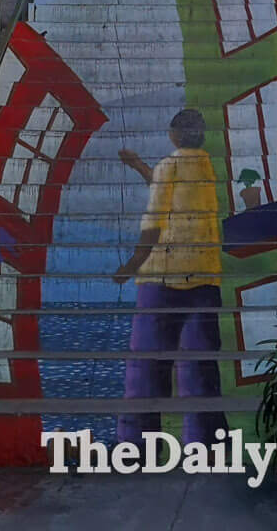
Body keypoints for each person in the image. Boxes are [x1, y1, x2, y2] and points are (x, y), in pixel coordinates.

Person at [113, 108, 227, 446]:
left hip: (162, 281)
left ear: (172, 135)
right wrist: (137, 166)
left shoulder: (169, 167)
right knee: (201, 371)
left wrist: (129, 267)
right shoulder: (205, 166)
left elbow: (152, 228)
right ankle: (206, 446)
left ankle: (137, 448)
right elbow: (166, 188)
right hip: (205, 280)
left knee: (147, 369)